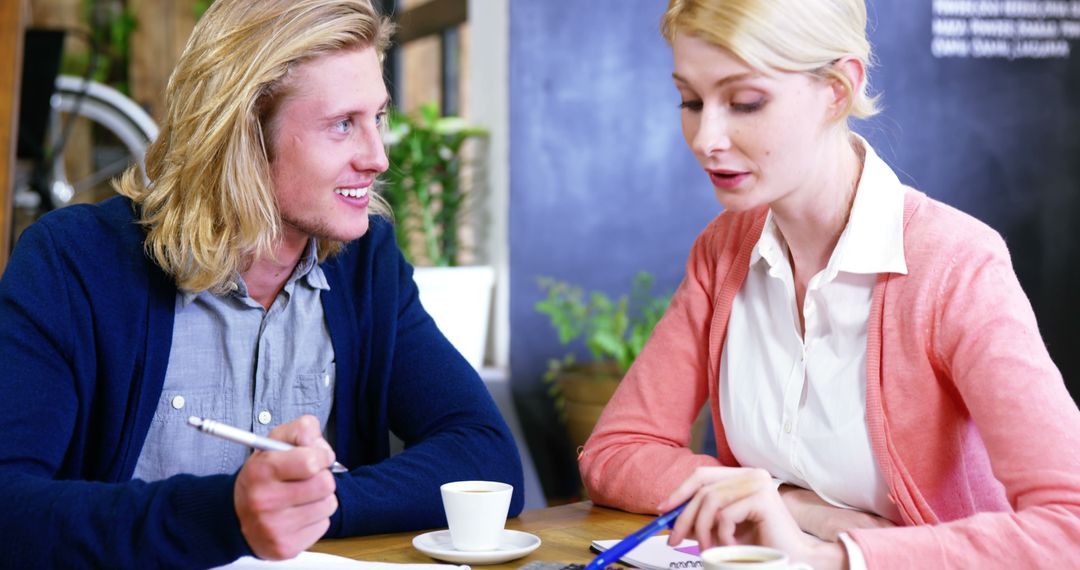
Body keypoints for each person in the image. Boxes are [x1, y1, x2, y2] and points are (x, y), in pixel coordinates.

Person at [0, 0, 523, 567]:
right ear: (243, 133)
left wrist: (308, 506)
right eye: (342, 124)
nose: (377, 157)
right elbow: (9, 507)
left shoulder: (365, 265)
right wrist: (227, 517)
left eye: (377, 117)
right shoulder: (73, 262)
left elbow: (486, 459)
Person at [578, 1, 1080, 568]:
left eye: (745, 102)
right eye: (691, 101)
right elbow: (616, 452)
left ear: (838, 91)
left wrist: (836, 556)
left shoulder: (956, 265)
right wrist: (795, 506)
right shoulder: (723, 250)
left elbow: (1071, 526)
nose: (705, 137)